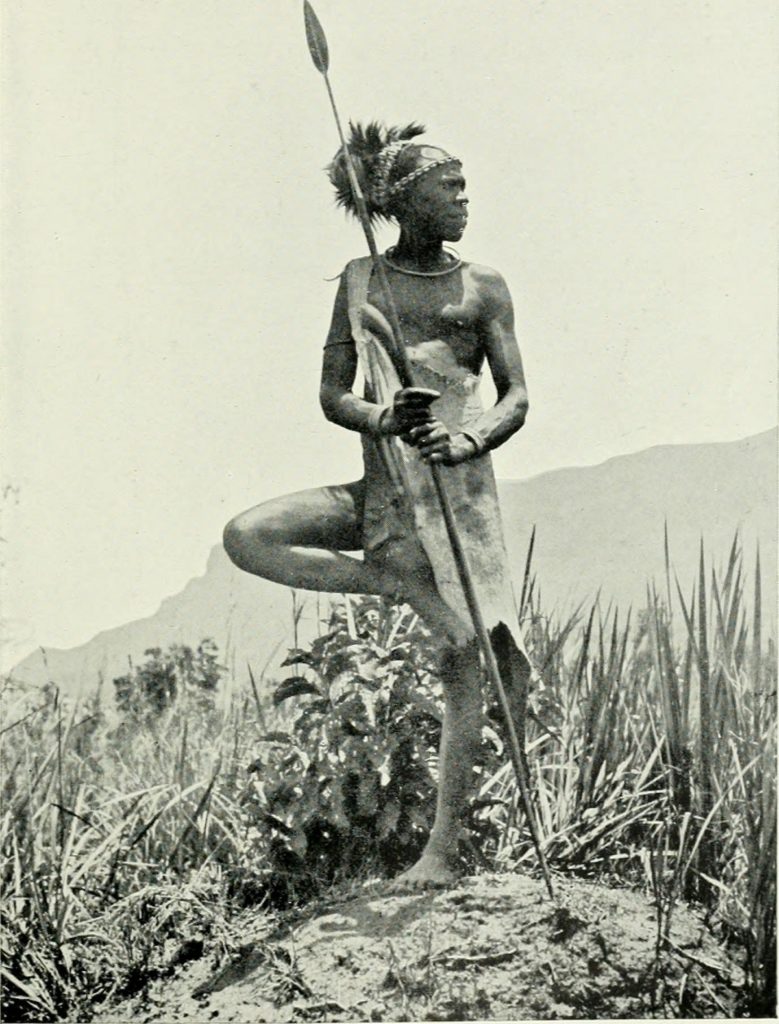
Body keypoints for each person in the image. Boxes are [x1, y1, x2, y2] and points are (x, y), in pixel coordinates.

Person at [224, 122, 531, 887]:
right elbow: (333, 395)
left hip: (456, 495)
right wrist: (381, 417)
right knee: (248, 534)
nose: (463, 199)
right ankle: (397, 584)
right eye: (447, 187)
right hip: (382, 489)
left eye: (463, 185)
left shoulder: (483, 284)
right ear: (399, 199)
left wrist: (468, 440)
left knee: (471, 667)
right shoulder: (361, 280)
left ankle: (438, 851)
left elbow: (515, 395)